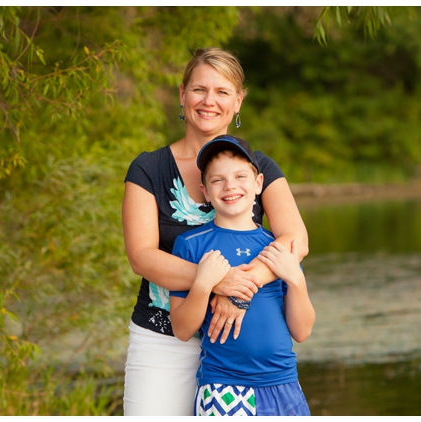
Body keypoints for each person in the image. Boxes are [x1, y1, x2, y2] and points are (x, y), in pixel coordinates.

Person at [122, 47, 308, 415]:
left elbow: (295, 240)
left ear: (238, 101)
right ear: (182, 94)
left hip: (240, 347)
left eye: (222, 92)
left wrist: (240, 289)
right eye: (199, 90)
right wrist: (213, 281)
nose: (210, 101)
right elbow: (141, 256)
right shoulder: (148, 169)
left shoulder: (258, 168)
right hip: (165, 338)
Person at [168, 135, 315, 416]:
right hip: (224, 387)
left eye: (240, 176)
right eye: (217, 180)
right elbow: (182, 329)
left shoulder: (276, 246)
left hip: (284, 384)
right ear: (205, 191)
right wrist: (203, 283)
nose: (230, 186)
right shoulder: (192, 245)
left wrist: (296, 280)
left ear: (258, 183)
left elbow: (302, 331)